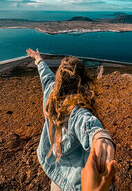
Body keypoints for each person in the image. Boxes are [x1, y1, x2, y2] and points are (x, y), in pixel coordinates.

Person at [26, 48, 116, 191]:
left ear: (60, 78)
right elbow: (85, 122)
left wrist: (38, 59)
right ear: (82, 80)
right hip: (74, 183)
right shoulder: (75, 110)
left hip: (56, 176)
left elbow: (46, 76)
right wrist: (100, 136)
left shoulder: (51, 91)